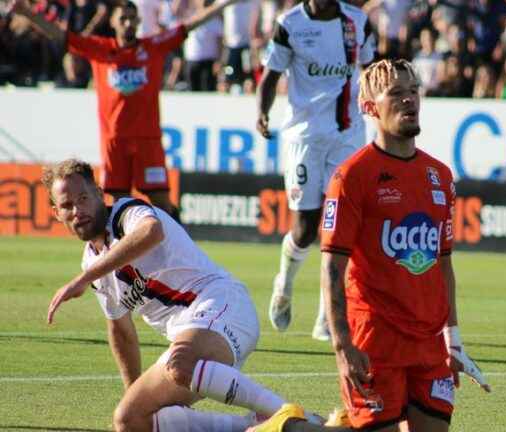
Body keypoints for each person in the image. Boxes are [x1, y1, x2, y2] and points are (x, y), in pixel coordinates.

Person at [250, 59, 490, 432]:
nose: (409, 100)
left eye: (413, 91)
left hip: (429, 346)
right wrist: (342, 346)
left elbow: (443, 263)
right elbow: (332, 267)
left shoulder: (440, 176)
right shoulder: (351, 177)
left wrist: (453, 340)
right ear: (369, 107)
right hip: (373, 344)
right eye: (396, 93)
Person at [41, 158, 322, 432]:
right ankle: (253, 426)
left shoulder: (127, 212)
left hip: (222, 306)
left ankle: (294, 418)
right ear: (57, 213)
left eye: (83, 198)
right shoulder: (92, 262)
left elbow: (152, 231)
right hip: (193, 336)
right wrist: (136, 395)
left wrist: (83, 279)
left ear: (100, 194)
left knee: (181, 363)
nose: (77, 210)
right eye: (67, 205)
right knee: (129, 420)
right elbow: (121, 329)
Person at [8, 0, 238, 219]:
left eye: (132, 18)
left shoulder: (153, 46)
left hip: (147, 140)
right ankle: (127, 255)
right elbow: (61, 35)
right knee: (119, 206)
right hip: (114, 142)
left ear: (138, 22)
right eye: (123, 18)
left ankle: (175, 250)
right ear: (113, 23)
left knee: (163, 205)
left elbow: (187, 26)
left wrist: (223, 4)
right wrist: (27, 13)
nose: (128, 23)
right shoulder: (100, 49)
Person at [255, 0, 375, 341]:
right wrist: (262, 112)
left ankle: (327, 316)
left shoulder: (357, 22)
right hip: (303, 136)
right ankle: (285, 282)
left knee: (339, 224)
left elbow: (371, 71)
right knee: (306, 228)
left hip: (347, 137)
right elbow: (271, 75)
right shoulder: (290, 23)